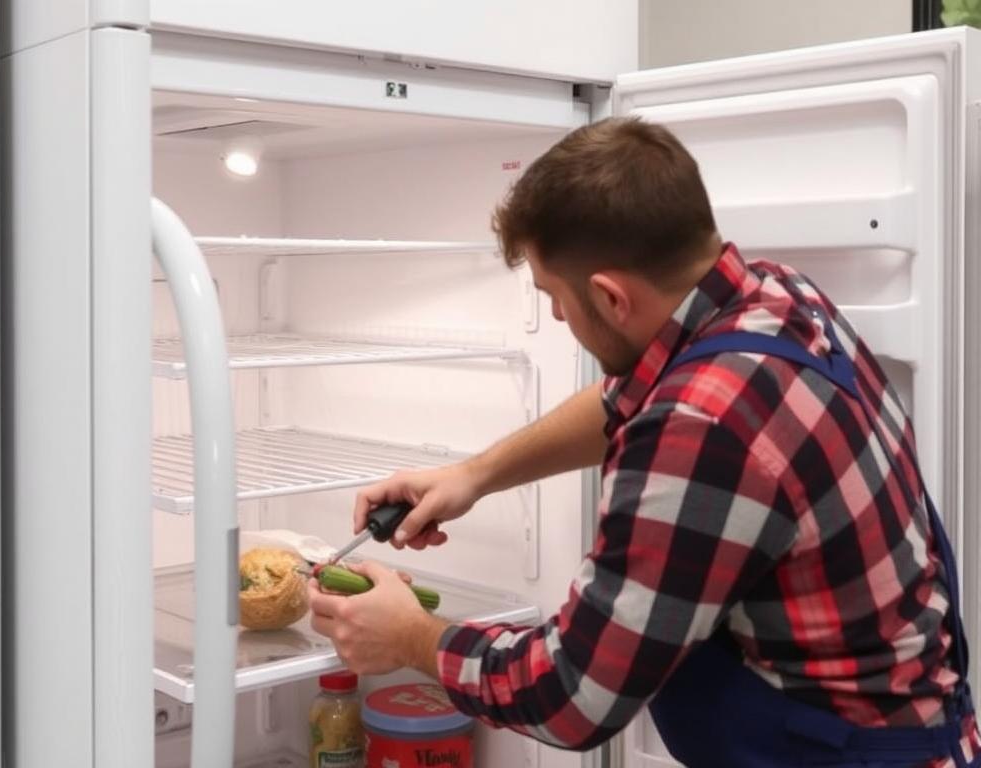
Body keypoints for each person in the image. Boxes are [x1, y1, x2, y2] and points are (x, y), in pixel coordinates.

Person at [308, 118, 981, 767]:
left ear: (610, 297)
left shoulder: (698, 430)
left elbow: (572, 696)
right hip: (900, 728)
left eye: (554, 295)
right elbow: (631, 394)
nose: (555, 315)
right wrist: (475, 474)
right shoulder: (774, 296)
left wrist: (414, 638)